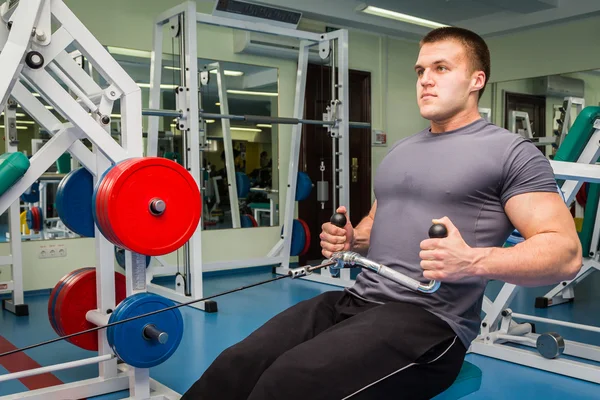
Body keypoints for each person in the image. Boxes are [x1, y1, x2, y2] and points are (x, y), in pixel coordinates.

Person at [182, 27, 582, 400]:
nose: (426, 79)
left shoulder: (511, 153)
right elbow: (378, 222)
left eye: (441, 68)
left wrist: (473, 260)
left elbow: (565, 254)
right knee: (236, 364)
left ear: (476, 80)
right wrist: (353, 238)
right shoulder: (403, 150)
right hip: (356, 300)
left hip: (430, 322)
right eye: (421, 70)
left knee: (288, 382)